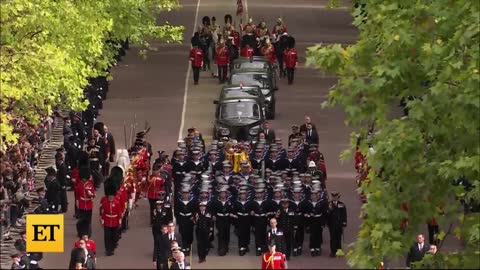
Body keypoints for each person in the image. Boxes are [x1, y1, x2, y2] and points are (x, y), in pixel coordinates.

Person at [99, 183, 122, 256]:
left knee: (114, 236)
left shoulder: (117, 203)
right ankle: (108, 250)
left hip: (115, 221)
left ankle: (112, 248)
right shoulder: (105, 203)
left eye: (112, 196)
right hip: (107, 221)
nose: (111, 197)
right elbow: (102, 213)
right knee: (107, 236)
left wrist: (119, 221)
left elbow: (119, 213)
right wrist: (102, 221)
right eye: (109, 196)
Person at [75, 166, 96, 239]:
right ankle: (80, 232)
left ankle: (88, 232)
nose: (83, 179)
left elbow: (94, 195)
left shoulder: (90, 185)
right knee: (81, 220)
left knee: (88, 220)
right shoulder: (79, 185)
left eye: (84, 178)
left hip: (88, 204)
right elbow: (77, 195)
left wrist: (91, 195)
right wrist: (77, 202)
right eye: (83, 178)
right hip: (81, 203)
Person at [326, 191, 347, 257]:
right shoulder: (329, 204)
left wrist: (344, 223)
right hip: (332, 224)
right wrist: (329, 210)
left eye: (335, 197)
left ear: (338, 197)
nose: (334, 198)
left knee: (338, 238)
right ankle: (333, 251)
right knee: (332, 238)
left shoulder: (342, 204)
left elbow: (344, 214)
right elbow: (327, 214)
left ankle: (339, 251)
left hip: (339, 224)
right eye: (333, 197)